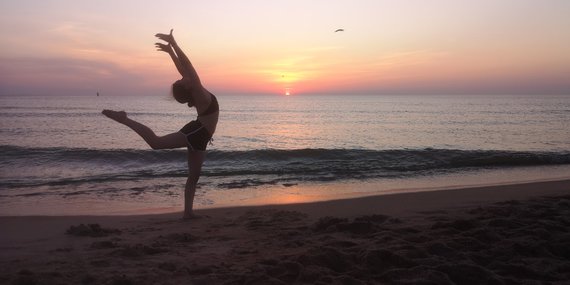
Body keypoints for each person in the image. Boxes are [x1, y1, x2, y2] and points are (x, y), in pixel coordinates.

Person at [102, 29, 219, 219]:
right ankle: (125, 119)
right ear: (188, 86)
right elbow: (187, 66)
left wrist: (170, 52)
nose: (182, 76)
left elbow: (183, 69)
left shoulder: (196, 89)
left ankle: (188, 213)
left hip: (201, 136)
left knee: (194, 176)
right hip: (196, 132)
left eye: (181, 79)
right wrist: (174, 44)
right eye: (181, 80)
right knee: (156, 143)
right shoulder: (197, 90)